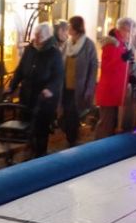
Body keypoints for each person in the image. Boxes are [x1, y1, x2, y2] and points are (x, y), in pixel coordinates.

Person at [20, 22, 64, 157]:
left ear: (47, 37)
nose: (37, 39)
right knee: (28, 125)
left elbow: (58, 76)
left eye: (40, 36)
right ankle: (30, 150)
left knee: (41, 128)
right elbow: (20, 69)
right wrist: (11, 86)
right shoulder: (30, 49)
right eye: (36, 35)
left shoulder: (54, 53)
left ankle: (40, 154)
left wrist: (49, 89)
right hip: (28, 94)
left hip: (45, 99)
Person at [60, 15, 98, 147]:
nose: (68, 29)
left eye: (70, 26)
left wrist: (89, 88)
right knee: (66, 114)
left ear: (76, 28)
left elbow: (93, 68)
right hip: (65, 87)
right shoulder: (67, 44)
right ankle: (70, 139)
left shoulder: (88, 45)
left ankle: (72, 141)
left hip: (79, 88)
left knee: (74, 115)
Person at [93, 17, 133, 138]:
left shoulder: (122, 44)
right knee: (106, 124)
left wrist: (129, 77)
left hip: (116, 90)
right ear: (121, 29)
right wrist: (122, 58)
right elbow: (106, 66)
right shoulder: (111, 44)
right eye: (128, 31)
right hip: (109, 91)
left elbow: (121, 69)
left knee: (113, 125)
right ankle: (99, 146)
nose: (129, 35)